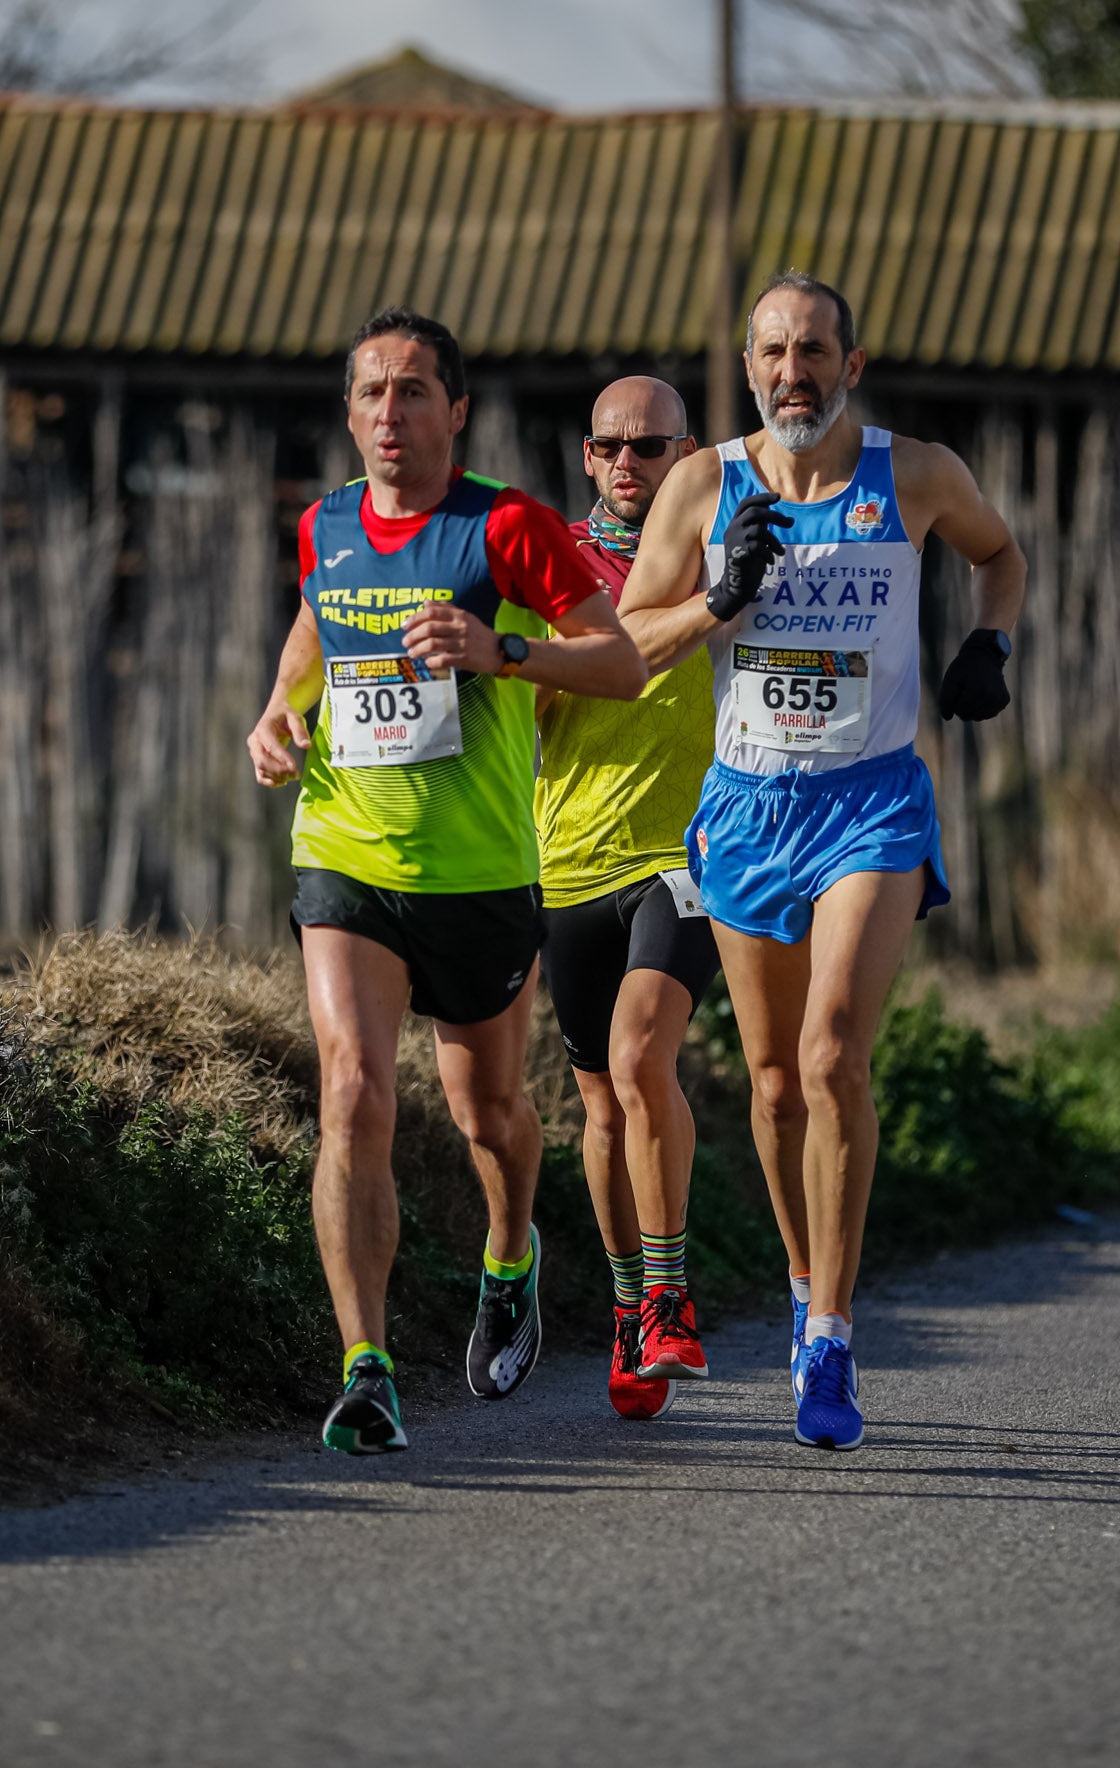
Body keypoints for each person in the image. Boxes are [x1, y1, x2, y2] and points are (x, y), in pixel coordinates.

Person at [620, 272, 1025, 1451]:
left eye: (813, 350)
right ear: (746, 369)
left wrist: (988, 641)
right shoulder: (704, 485)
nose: (791, 370)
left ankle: (838, 1335)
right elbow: (626, 643)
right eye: (771, 352)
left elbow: (1001, 554)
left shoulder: (917, 474)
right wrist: (715, 596)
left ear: (853, 363)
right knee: (774, 1078)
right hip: (748, 808)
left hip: (872, 806)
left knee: (834, 1051)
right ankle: (803, 1289)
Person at [247, 308, 649, 1454]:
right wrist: (279, 715)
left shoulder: (506, 526)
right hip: (347, 851)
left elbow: (618, 660)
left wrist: (504, 650)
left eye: (414, 390)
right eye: (371, 391)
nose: (390, 411)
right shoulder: (324, 524)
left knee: (488, 1111)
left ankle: (512, 1246)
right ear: (348, 412)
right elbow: (313, 636)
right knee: (354, 1088)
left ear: (456, 412)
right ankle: (366, 1365)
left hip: (478, 874)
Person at [533, 377, 722, 1421]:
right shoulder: (552, 565)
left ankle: (667, 1292)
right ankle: (623, 1308)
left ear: (686, 451)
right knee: (600, 1103)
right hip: (569, 860)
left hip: (686, 854)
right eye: (608, 447)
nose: (626, 467)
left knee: (645, 1055)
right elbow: (538, 689)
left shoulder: (730, 549)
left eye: (649, 448)